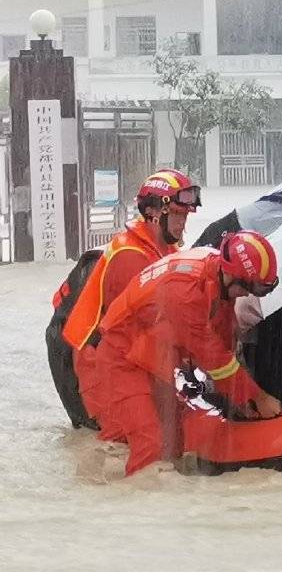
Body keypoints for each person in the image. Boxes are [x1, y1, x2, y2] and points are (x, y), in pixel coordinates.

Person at [91, 231, 282, 476]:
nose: (247, 295)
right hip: (122, 357)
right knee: (150, 442)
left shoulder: (217, 275)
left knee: (174, 441)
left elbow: (223, 338)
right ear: (230, 275)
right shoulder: (185, 293)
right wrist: (258, 397)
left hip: (153, 355)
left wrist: (241, 400)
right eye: (246, 288)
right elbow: (215, 359)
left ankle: (165, 501)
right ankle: (136, 507)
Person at [56, 169, 201, 434]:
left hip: (118, 356)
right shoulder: (130, 257)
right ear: (155, 213)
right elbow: (147, 328)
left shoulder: (163, 249)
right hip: (96, 362)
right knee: (123, 442)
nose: (183, 224)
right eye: (178, 215)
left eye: (185, 215)